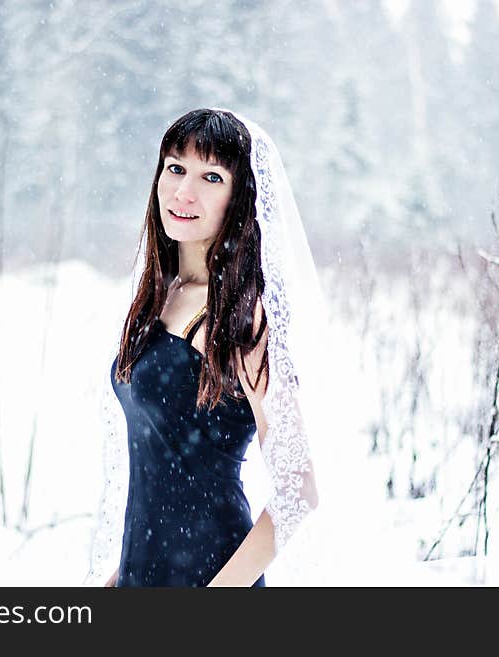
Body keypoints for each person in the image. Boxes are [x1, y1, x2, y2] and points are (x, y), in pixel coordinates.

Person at [86, 108, 330, 587]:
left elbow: (299, 488)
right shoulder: (161, 297)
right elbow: (162, 471)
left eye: (211, 176)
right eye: (175, 168)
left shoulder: (242, 317)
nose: (183, 192)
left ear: (239, 198)